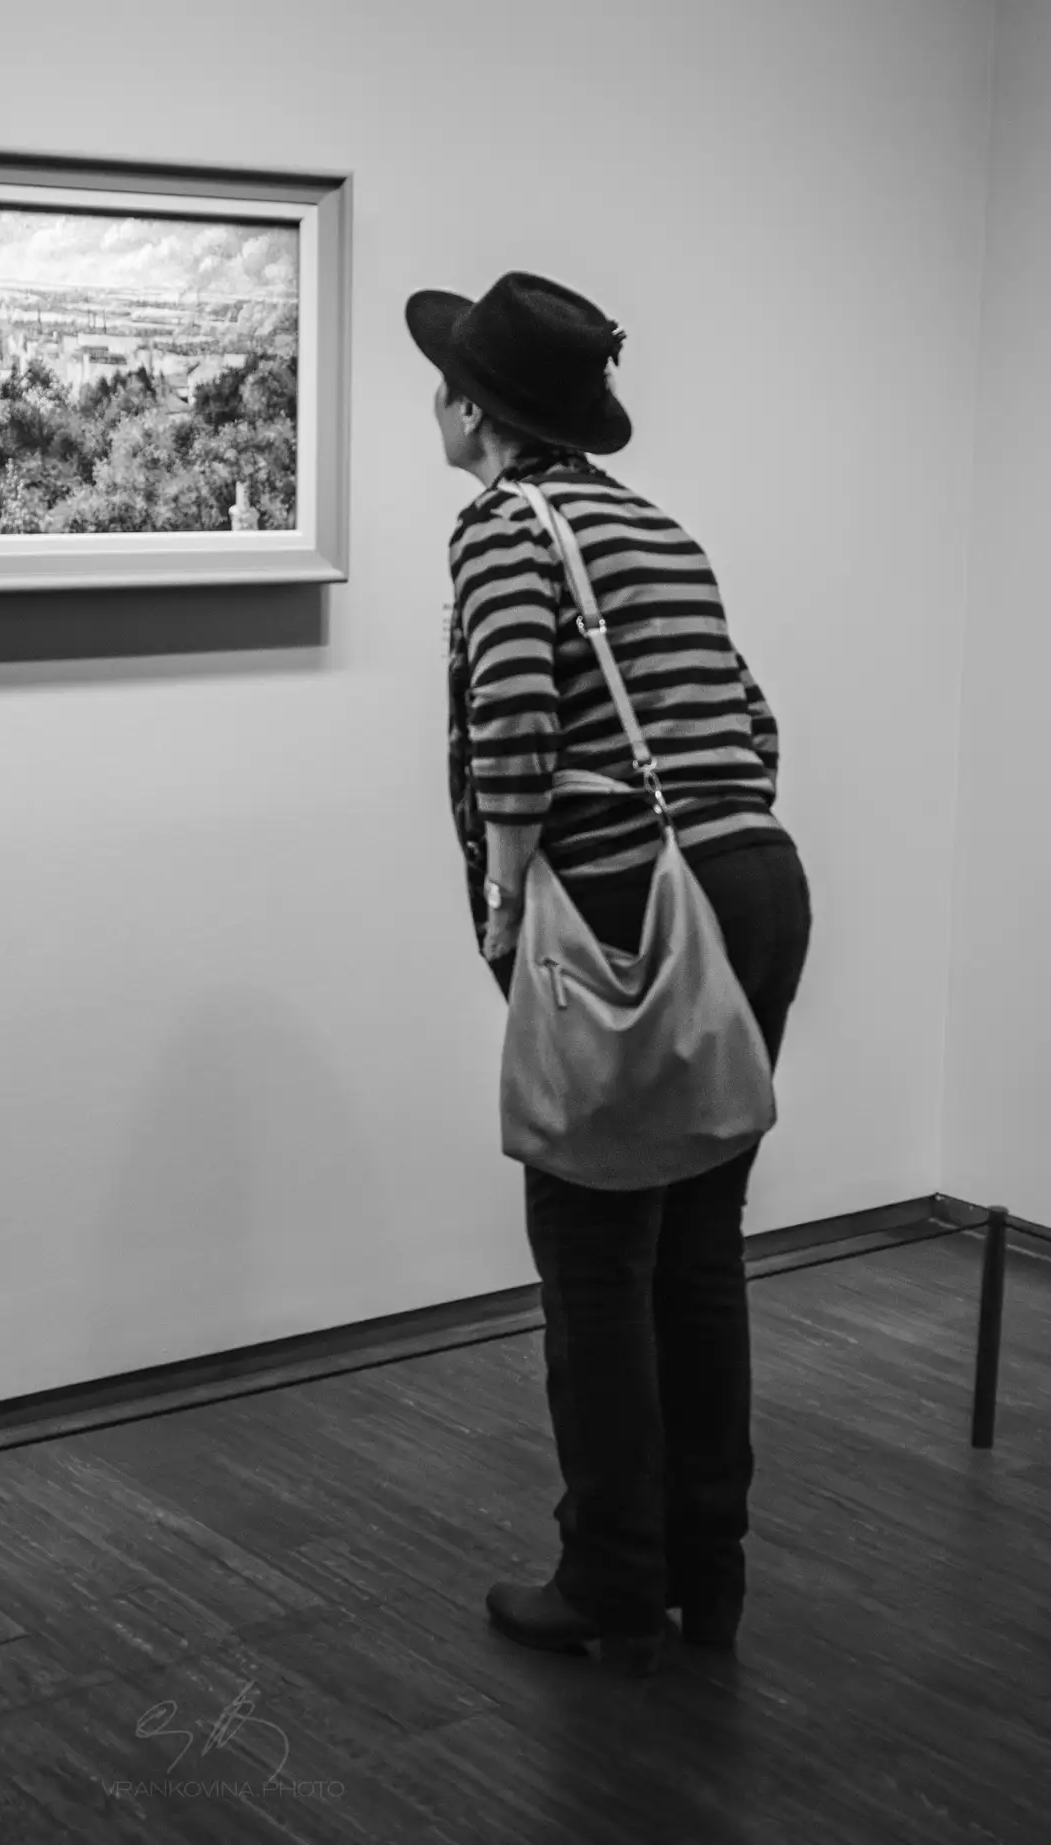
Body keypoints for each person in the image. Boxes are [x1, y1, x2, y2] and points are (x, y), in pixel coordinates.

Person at [409, 272, 814, 1665]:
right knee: (697, 1246)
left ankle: (611, 1581)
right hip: (752, 881)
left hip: (627, 897)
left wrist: (510, 896)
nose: (439, 404)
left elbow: (514, 714)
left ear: (475, 409)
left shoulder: (504, 526)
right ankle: (712, 1570)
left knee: (591, 1252)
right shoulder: (654, 526)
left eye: (447, 384)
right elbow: (750, 719)